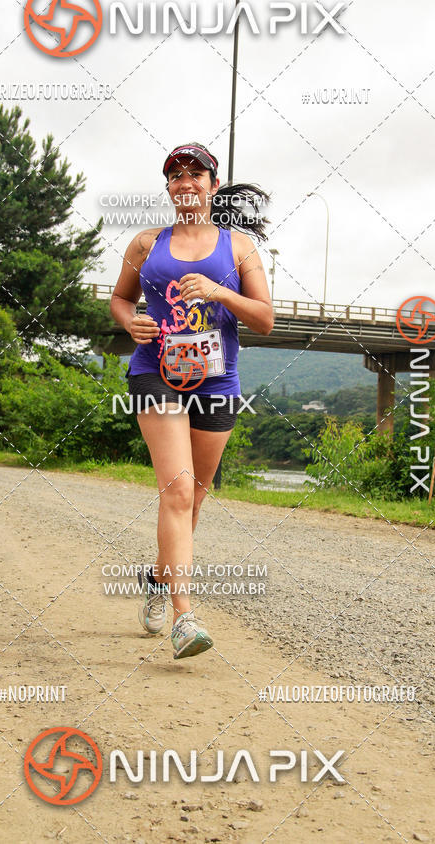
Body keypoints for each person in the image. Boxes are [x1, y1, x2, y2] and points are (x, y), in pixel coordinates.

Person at [110, 142, 274, 660]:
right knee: (178, 492)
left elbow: (265, 319)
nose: (186, 182)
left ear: (212, 185)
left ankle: (158, 581)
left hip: (216, 380)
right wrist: (129, 321)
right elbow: (120, 298)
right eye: (176, 175)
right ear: (168, 188)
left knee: (194, 499)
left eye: (195, 173)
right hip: (155, 375)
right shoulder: (144, 244)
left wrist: (220, 292)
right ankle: (185, 615)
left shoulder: (240, 247)